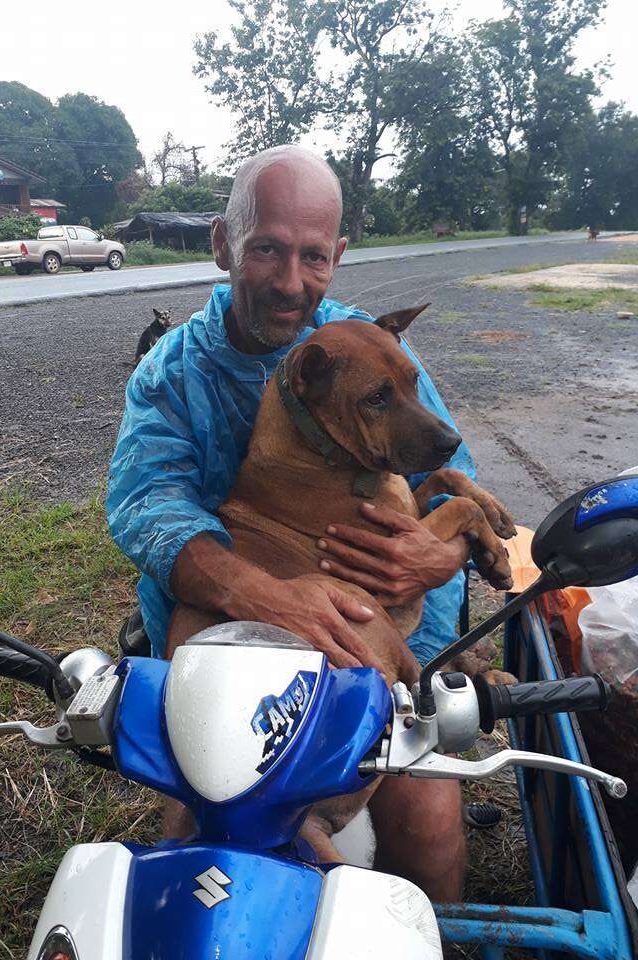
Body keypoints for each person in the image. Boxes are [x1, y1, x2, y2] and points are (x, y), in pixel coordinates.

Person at [107, 145, 473, 899]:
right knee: (205, 841)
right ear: (221, 244)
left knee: (430, 822)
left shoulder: (368, 348)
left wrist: (447, 554)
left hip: (400, 645)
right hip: (232, 653)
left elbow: (442, 470)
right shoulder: (173, 373)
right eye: (266, 249)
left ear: (338, 256)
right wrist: (268, 597)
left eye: (313, 256)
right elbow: (145, 506)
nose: (289, 282)